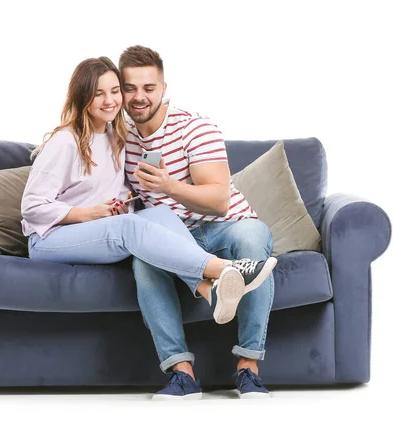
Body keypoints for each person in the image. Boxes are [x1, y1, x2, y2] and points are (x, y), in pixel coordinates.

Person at [20, 57, 273, 343]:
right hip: (49, 238)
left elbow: (108, 191)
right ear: (83, 97)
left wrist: (119, 204)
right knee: (128, 226)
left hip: (92, 229)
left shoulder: (117, 137)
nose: (110, 100)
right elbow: (32, 208)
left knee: (162, 216)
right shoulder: (65, 141)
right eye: (98, 93)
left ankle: (208, 290)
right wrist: (88, 214)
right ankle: (225, 269)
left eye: (115, 91)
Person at [118, 45, 278, 399]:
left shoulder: (194, 127)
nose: (139, 97)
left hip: (228, 226)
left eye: (148, 88)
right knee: (144, 259)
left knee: (252, 241)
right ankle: (182, 373)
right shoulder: (121, 138)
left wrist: (168, 185)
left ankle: (248, 368)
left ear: (163, 88)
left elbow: (220, 200)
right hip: (175, 237)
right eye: (130, 88)